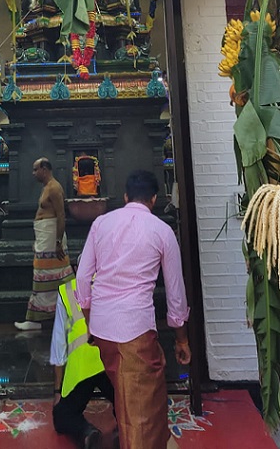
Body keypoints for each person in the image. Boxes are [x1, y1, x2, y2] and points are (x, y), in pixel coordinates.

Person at [75, 170, 191, 449]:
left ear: (126, 197)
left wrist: (90, 321)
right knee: (139, 410)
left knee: (132, 397)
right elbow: (176, 294)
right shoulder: (162, 231)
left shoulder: (101, 223)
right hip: (134, 330)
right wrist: (182, 338)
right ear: (154, 199)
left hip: (103, 328)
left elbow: (81, 278)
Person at [50, 272, 116, 449]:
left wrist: (58, 392)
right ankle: (122, 430)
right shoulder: (114, 284)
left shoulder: (67, 290)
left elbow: (58, 347)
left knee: (62, 416)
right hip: (111, 363)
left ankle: (87, 433)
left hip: (82, 368)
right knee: (127, 404)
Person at [15, 157, 74, 331]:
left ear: (44, 169)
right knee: (46, 274)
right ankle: (37, 317)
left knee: (55, 274)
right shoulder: (46, 188)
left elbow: (61, 216)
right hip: (45, 236)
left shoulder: (54, 188)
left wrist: (57, 242)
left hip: (51, 237)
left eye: (35, 170)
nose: (33, 174)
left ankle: (71, 314)